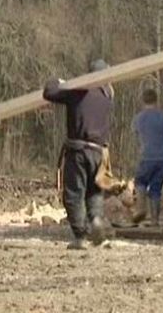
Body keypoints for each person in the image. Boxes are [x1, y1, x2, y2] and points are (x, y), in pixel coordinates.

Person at [43, 59, 113, 249]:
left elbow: (49, 93)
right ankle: (97, 219)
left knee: (74, 194)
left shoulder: (78, 91)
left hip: (79, 150)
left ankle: (81, 236)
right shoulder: (106, 96)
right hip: (99, 152)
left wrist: (57, 81)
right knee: (94, 192)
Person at [132, 88, 163, 226]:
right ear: (156, 100)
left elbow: (135, 134)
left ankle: (141, 209)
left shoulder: (138, 118)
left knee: (140, 181)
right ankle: (154, 221)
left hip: (147, 157)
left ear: (143, 101)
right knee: (156, 188)